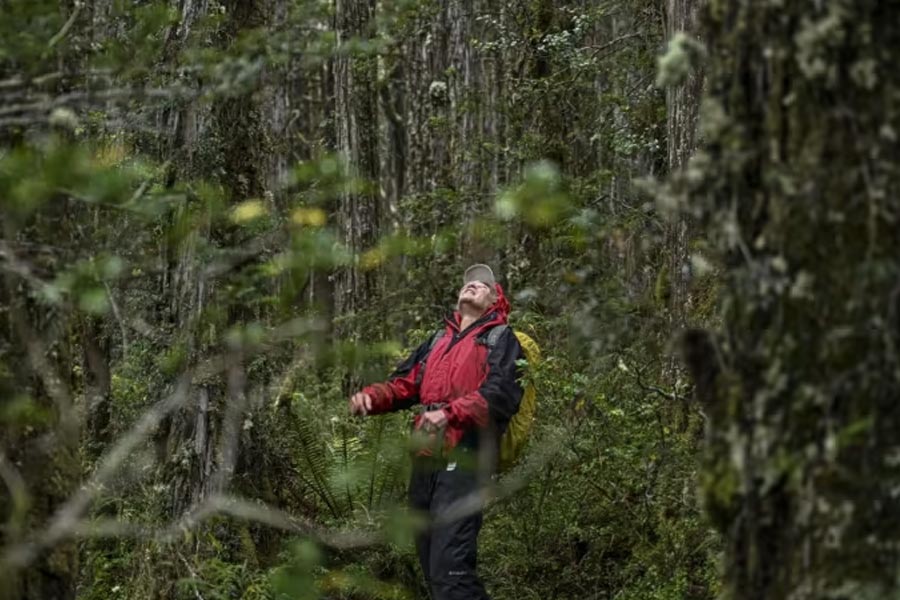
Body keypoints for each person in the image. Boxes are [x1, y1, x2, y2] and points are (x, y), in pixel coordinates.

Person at [349, 264, 524, 600]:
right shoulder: (437, 341)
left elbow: (501, 395)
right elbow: (404, 384)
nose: (473, 284)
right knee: (431, 563)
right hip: (426, 456)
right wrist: (371, 397)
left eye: (483, 284)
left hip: (468, 455)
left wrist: (450, 413)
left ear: (495, 300)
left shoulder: (501, 338)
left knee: (450, 568)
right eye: (469, 282)